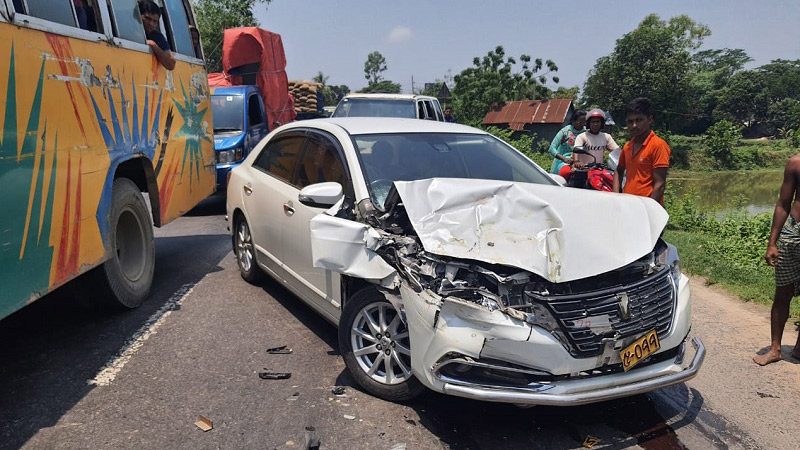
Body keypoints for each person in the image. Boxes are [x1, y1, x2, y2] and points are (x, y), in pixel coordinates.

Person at [753, 154, 800, 365]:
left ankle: (799, 348)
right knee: (783, 291)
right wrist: (772, 242)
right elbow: (783, 203)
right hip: (793, 234)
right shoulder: (795, 163)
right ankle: (775, 348)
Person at [612, 98, 670, 204]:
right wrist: (616, 196)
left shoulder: (658, 145)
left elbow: (660, 184)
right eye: (630, 121)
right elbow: (618, 171)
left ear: (650, 119)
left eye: (639, 120)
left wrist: (649, 209)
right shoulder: (627, 147)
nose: (634, 125)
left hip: (646, 207)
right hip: (628, 203)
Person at [138, 0, 176, 70]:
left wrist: (152, 44)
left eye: (155, 21)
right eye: (147, 19)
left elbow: (171, 64)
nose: (151, 24)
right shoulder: (130, 28)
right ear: (138, 16)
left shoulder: (156, 36)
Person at [548, 110, 586, 175]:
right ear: (573, 121)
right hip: (565, 162)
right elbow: (552, 148)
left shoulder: (586, 132)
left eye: (584, 122)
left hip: (582, 162)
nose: (582, 124)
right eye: (580, 122)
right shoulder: (565, 131)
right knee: (566, 172)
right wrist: (564, 159)